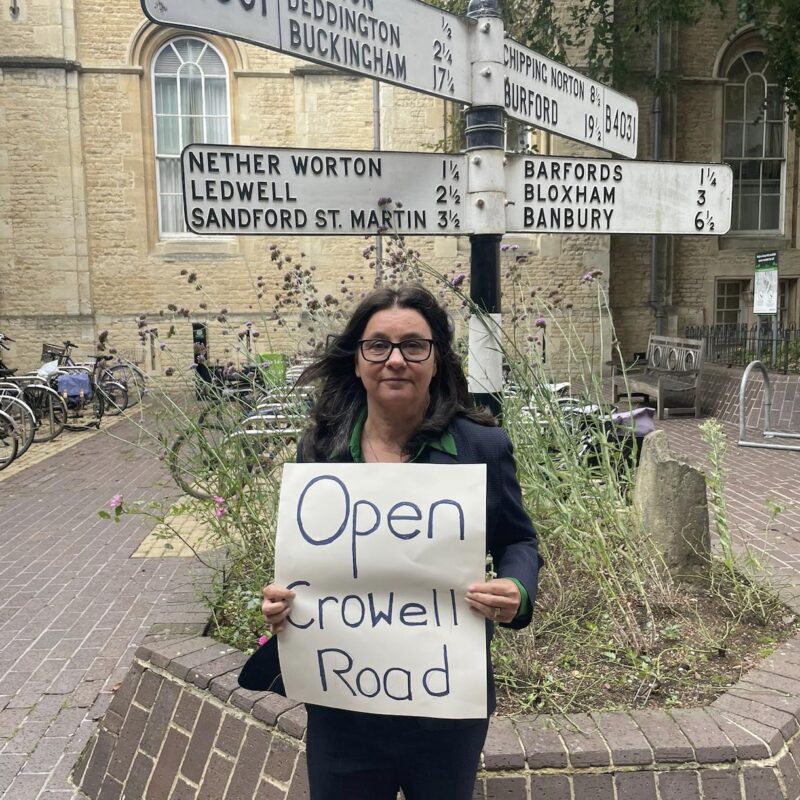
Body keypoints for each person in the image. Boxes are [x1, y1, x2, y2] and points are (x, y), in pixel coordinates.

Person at [260, 284, 541, 800]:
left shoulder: (482, 447)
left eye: (414, 346)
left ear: (436, 360)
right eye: (378, 346)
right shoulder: (321, 449)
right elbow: (306, 565)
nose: (395, 360)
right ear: (357, 360)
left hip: (444, 707)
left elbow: (518, 540)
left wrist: (517, 590)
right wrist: (282, 602)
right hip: (343, 705)